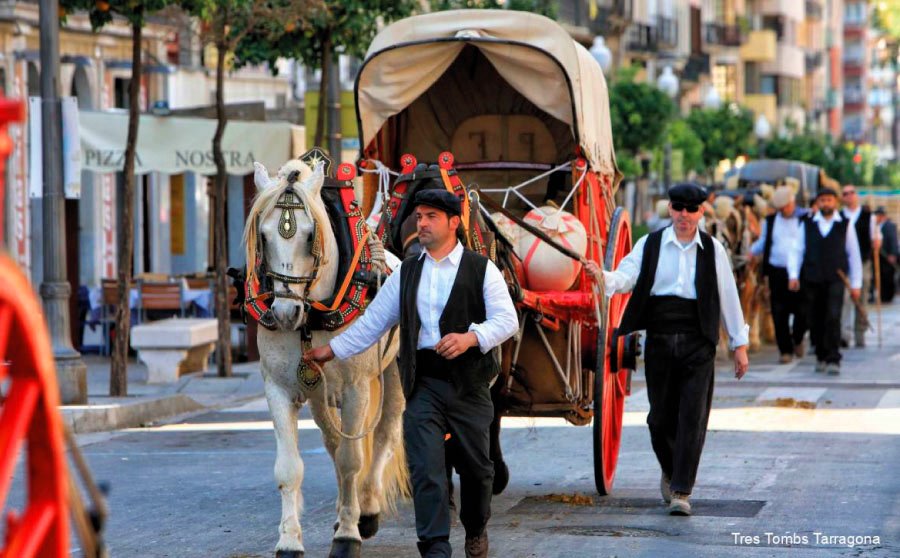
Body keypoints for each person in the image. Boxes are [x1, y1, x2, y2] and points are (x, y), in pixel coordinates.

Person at [304, 189, 518, 558]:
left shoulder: (483, 269)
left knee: (477, 469)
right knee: (424, 469)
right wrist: (329, 351)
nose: (421, 223)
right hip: (424, 382)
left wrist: (471, 338)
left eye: (431, 217)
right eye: (418, 216)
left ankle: (476, 527)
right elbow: (372, 323)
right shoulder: (406, 271)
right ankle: (435, 547)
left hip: (469, 382)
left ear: (454, 223)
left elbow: (507, 321)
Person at [584, 182, 750, 517]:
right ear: (670, 210)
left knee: (692, 417)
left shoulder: (713, 250)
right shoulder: (651, 244)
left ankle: (681, 490)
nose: (684, 215)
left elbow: (728, 297)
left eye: (691, 209)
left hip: (698, 342)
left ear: (701, 212)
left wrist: (739, 344)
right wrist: (602, 276)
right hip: (659, 340)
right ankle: (672, 467)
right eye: (678, 208)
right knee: (658, 420)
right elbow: (626, 276)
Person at [787, 188, 863, 375]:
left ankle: (833, 358)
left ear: (835, 202)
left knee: (833, 316)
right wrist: (793, 275)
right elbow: (796, 250)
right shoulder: (807, 224)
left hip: (835, 279)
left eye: (829, 200)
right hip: (812, 279)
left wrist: (856, 283)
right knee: (815, 318)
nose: (826, 203)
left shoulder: (845, 224)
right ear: (818, 203)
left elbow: (854, 255)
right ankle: (820, 355)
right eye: (822, 200)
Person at [750, 185, 808, 363]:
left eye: (787, 207)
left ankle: (797, 338)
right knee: (779, 312)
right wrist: (751, 252)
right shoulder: (770, 221)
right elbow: (763, 242)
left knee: (803, 311)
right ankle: (785, 350)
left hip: (801, 272)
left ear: (793, 202)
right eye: (781, 209)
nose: (785, 211)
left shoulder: (805, 218)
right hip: (777, 271)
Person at [839, 185, 879, 346]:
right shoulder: (839, 216)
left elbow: (876, 237)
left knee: (861, 297)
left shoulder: (869, 216)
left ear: (856, 195)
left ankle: (859, 333)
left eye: (851, 193)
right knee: (844, 299)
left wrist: (877, 241)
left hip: (863, 262)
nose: (849, 196)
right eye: (845, 194)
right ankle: (844, 334)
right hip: (843, 264)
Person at [875, 207, 898, 302]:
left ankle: (888, 296)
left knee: (888, 276)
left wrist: (893, 254)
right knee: (881, 276)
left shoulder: (889, 226)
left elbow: (893, 240)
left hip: (888, 254)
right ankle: (882, 295)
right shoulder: (877, 226)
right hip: (880, 255)